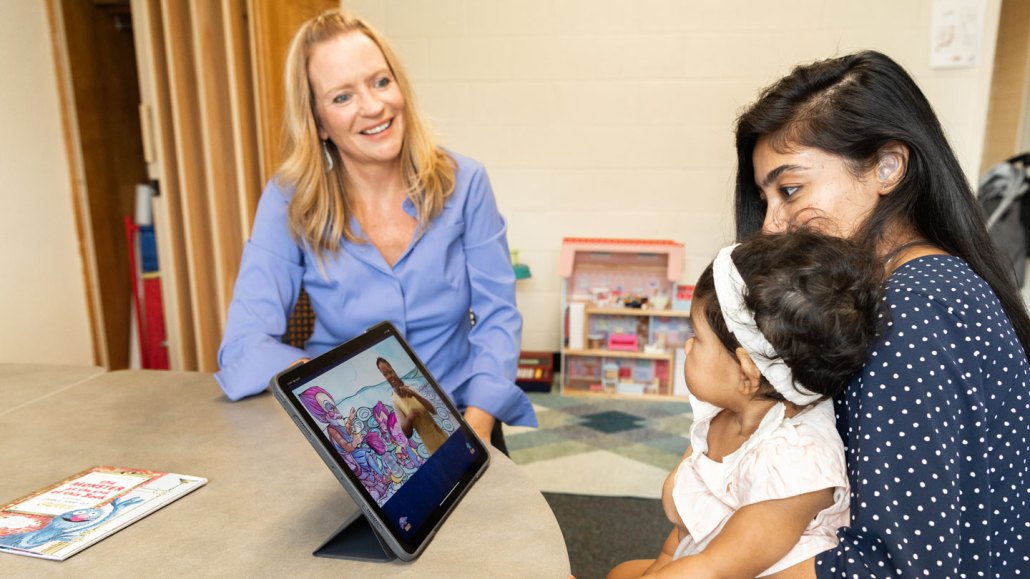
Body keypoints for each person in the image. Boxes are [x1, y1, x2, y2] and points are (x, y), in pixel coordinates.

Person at [734, 50, 1030, 577]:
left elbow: (895, 566)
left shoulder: (907, 314)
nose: (771, 225)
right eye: (766, 199)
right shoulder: (937, 281)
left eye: (790, 190)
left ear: (887, 167)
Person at [214, 9, 536, 450]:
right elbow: (243, 344)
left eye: (380, 82)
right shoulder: (288, 198)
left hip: (463, 415)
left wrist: (476, 431)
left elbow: (497, 316)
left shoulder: (466, 182)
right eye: (342, 97)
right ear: (319, 122)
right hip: (355, 432)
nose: (373, 106)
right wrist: (333, 383)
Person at [607, 231, 884, 578]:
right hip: (700, 557)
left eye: (696, 337)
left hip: (734, 571)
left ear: (747, 373)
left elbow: (715, 569)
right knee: (621, 572)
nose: (688, 348)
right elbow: (688, 527)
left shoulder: (796, 460)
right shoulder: (729, 413)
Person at [376, 357, 448, 454]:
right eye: (385, 374)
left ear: (393, 370)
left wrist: (415, 395)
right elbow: (407, 434)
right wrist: (409, 418)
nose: (389, 376)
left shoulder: (411, 388)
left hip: (442, 437)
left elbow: (433, 411)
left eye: (390, 371)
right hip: (432, 447)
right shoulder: (395, 400)